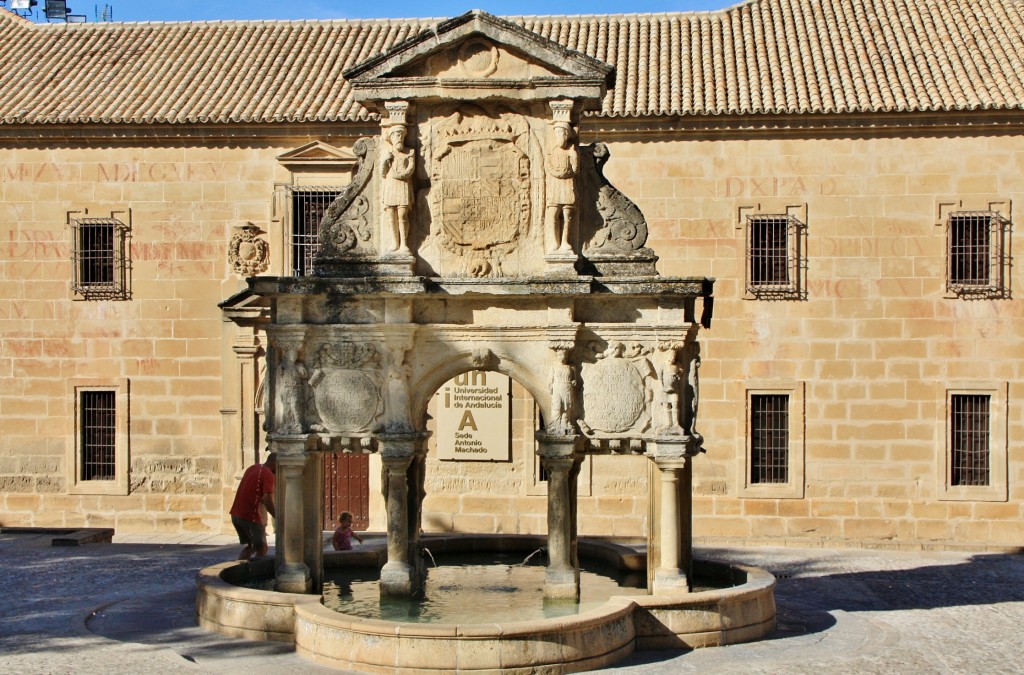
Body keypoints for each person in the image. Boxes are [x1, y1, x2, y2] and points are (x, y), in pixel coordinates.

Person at [229, 452, 277, 560]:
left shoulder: (253, 467)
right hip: (249, 517)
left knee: (251, 547)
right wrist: (277, 516)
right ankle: (255, 573)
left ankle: (241, 570)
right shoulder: (268, 474)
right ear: (276, 463)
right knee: (262, 547)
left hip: (236, 515)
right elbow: (267, 499)